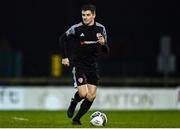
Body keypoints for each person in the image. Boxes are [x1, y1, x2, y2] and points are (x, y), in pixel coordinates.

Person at [59, 4, 109, 125]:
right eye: (83, 15)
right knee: (83, 93)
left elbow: (106, 51)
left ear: (94, 15)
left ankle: (76, 119)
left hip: (92, 65)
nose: (85, 17)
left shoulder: (101, 29)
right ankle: (73, 102)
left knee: (91, 96)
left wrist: (103, 44)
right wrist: (64, 57)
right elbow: (62, 39)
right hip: (79, 64)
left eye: (88, 15)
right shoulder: (76, 28)